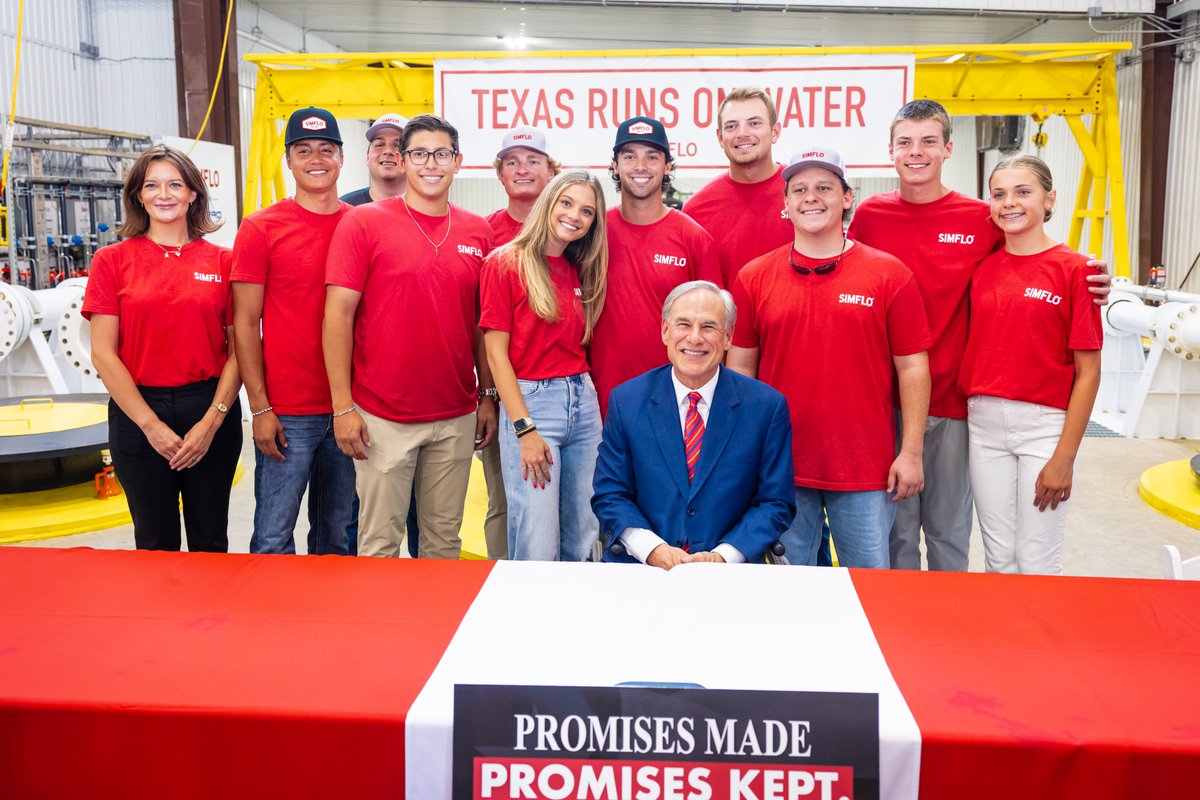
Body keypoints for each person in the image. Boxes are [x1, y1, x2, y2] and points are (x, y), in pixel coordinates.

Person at [847, 99, 1112, 572]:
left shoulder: (980, 219)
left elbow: (1029, 258)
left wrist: (1089, 278)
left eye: (929, 141)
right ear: (890, 152)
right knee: (897, 533)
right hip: (884, 402)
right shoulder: (870, 216)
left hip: (956, 403)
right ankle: (906, 634)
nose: (917, 152)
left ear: (948, 148)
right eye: (905, 142)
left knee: (950, 533)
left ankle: (955, 632)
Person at [728, 147, 932, 569]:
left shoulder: (889, 274)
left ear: (847, 197)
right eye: (799, 189)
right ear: (785, 205)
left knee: (868, 585)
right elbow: (741, 369)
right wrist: (745, 452)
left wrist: (911, 452)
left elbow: (913, 367)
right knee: (789, 591)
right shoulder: (754, 277)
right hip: (782, 467)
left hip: (864, 467)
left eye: (824, 187)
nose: (811, 197)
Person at [324, 113, 497, 560]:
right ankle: (378, 631)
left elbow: (482, 323)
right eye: (419, 154)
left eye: (441, 154)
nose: (431, 164)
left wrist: (487, 394)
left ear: (457, 162)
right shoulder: (363, 223)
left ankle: (436, 631)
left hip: (455, 416)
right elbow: (338, 316)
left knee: (443, 545)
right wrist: (343, 406)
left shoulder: (478, 231)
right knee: (379, 546)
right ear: (403, 161)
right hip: (384, 416)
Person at [83, 145, 241, 551]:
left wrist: (211, 422)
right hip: (138, 413)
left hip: (208, 406)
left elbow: (241, 348)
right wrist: (150, 426)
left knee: (210, 539)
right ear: (138, 195)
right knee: (154, 543)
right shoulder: (112, 260)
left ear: (193, 194)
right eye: (151, 185)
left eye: (175, 184)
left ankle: (211, 617)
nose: (164, 194)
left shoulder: (224, 261)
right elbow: (103, 352)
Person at [960, 155, 1102, 575]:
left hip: (1043, 426)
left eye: (1023, 192)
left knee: (1037, 560)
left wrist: (1065, 458)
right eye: (999, 194)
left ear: (1049, 198)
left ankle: (1043, 640)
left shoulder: (1077, 270)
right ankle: (1004, 640)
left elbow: (1089, 372)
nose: (1010, 203)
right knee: (998, 557)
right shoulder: (982, 269)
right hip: (983, 423)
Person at [594, 281, 795, 569]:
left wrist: (724, 555)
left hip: (731, 571)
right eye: (683, 325)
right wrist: (652, 549)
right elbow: (610, 494)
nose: (695, 338)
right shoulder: (627, 401)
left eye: (709, 327)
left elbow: (776, 503)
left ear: (727, 338)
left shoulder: (766, 407)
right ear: (665, 331)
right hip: (642, 566)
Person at [232, 106, 354, 556]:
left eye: (326, 149)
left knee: (338, 537)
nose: (315, 159)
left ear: (342, 157)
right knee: (271, 537)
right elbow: (244, 324)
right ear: (289, 160)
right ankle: (271, 626)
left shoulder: (361, 226)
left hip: (349, 408)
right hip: (288, 414)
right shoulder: (261, 229)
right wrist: (259, 407)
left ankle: (330, 623)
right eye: (303, 150)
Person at [480, 170, 608, 561]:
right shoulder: (505, 263)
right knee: (537, 536)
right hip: (533, 405)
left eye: (587, 211)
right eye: (566, 203)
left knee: (584, 531)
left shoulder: (577, 268)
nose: (575, 216)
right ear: (548, 202)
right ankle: (532, 621)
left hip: (583, 403)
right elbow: (495, 353)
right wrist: (524, 429)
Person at [589, 116, 723, 416]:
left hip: (675, 403)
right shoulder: (593, 231)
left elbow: (716, 328)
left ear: (667, 167)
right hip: (599, 402)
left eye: (652, 156)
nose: (640, 166)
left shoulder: (694, 239)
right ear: (615, 166)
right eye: (629, 156)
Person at [682, 87, 793, 286]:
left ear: (775, 132)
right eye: (732, 126)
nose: (743, 133)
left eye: (754, 123)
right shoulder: (696, 210)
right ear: (720, 137)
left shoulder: (803, 198)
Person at [485, 126, 561, 247]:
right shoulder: (484, 230)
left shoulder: (565, 230)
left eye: (533, 162)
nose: (522, 170)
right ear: (501, 174)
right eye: (512, 163)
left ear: (550, 173)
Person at [340, 112, 407, 206]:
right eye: (380, 145)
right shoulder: (345, 208)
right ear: (367, 156)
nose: (388, 151)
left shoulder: (429, 209)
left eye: (397, 145)